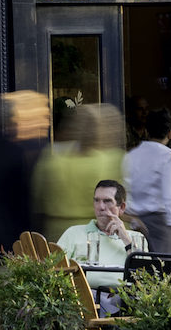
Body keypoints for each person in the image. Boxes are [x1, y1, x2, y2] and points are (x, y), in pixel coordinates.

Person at [32, 103, 127, 242]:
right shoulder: (112, 160)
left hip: (57, 234)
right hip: (95, 235)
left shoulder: (51, 159)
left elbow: (38, 198)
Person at [0, 91, 49, 260]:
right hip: (13, 245)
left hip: (8, 244)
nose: (46, 121)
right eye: (42, 115)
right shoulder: (15, 153)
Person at [57, 180, 147, 291]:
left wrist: (126, 239)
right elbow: (54, 269)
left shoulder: (136, 238)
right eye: (96, 201)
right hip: (81, 296)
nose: (101, 207)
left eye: (107, 201)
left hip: (124, 299)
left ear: (122, 207)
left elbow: (145, 277)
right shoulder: (73, 233)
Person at [122, 107, 171, 253]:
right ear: (170, 134)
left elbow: (125, 191)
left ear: (146, 131)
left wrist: (131, 219)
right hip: (159, 225)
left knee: (138, 267)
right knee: (163, 270)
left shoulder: (130, 156)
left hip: (134, 223)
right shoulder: (168, 157)